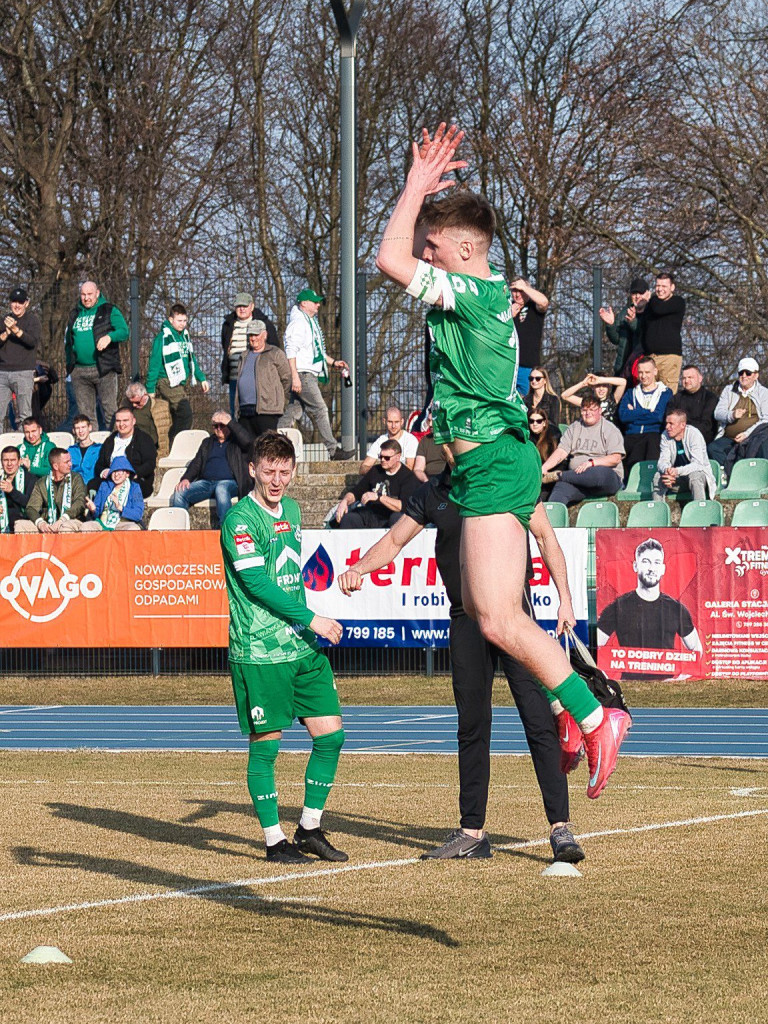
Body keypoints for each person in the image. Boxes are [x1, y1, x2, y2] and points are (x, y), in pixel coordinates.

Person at [375, 121, 630, 799]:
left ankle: (597, 714)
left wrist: (412, 186)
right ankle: (581, 714)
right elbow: (408, 257)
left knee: (497, 618)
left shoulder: (479, 295)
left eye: (434, 246)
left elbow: (389, 260)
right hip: (498, 460)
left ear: (462, 248)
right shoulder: (477, 300)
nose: (422, 253)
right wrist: (425, 196)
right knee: (501, 616)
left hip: (491, 462)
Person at [338, 473, 586, 864]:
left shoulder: (503, 478)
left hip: (513, 617)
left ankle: (560, 828)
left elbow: (546, 538)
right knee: (472, 726)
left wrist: (565, 600)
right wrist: (359, 568)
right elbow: (394, 540)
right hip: (465, 617)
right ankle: (472, 833)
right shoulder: (433, 492)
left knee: (537, 719)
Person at [220, 431, 347, 864]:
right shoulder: (239, 520)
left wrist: (307, 624)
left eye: (285, 471)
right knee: (267, 745)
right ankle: (275, 841)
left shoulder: (291, 509)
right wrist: (313, 618)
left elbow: (289, 572)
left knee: (331, 736)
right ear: (253, 469)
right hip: (260, 650)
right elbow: (255, 582)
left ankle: (309, 828)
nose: (277, 480)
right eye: (269, 471)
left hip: (302, 646)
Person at [278, 288, 354, 460]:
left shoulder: (309, 323)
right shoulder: (298, 324)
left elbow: (315, 352)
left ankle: (275, 442)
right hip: (303, 375)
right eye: (315, 302)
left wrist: (333, 362)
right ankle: (333, 450)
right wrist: (295, 376)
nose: (318, 305)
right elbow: (291, 350)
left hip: (307, 374)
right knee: (320, 409)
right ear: (304, 303)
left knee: (293, 412)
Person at [597, 538, 702, 656]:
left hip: (668, 675)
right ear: (635, 566)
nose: (651, 569)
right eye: (646, 562)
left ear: (663, 569)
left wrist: (683, 675)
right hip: (628, 675)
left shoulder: (676, 609)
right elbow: (594, 647)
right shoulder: (617, 608)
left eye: (656, 562)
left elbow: (696, 649)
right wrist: (604, 674)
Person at [64, 280, 129, 428]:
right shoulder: (75, 313)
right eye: (83, 294)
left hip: (103, 367)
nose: (86, 298)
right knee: (85, 416)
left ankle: (113, 444)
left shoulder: (109, 310)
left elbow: (124, 331)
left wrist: (109, 337)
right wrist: (70, 365)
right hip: (79, 371)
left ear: (97, 293)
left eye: (90, 294)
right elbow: (69, 341)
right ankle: (92, 448)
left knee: (109, 411)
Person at [541, 394, 625, 506]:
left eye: (592, 409)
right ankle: (553, 520)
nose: (588, 413)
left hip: (606, 479)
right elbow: (561, 451)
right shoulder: (574, 427)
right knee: (560, 488)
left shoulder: (610, 429)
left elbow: (616, 458)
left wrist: (591, 463)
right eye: (584, 410)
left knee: (597, 472)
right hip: (579, 481)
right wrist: (544, 468)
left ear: (600, 410)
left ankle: (560, 476)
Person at [170, 411, 252, 525]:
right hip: (207, 483)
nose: (219, 428)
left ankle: (225, 530)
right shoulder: (207, 442)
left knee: (221, 489)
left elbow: (248, 441)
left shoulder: (236, 442)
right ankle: (178, 531)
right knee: (179, 493)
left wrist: (230, 422)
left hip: (230, 483)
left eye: (222, 425)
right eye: (215, 426)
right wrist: (186, 478)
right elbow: (196, 463)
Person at [146, 304, 210, 445]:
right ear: (170, 320)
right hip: (167, 380)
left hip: (180, 382)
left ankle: (166, 444)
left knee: (174, 416)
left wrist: (201, 378)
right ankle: (176, 443)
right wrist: (150, 388)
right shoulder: (163, 338)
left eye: (184, 321)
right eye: (179, 321)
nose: (182, 324)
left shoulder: (185, 337)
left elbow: (191, 360)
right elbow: (154, 363)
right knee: (185, 413)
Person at [334, 439, 419, 529]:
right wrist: (345, 501)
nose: (382, 460)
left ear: (398, 457)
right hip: (372, 514)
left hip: (392, 515)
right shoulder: (375, 471)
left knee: (397, 519)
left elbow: (403, 506)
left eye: (387, 458)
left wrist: (379, 497)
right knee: (349, 518)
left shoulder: (408, 476)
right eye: (380, 456)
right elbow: (356, 492)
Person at [221, 292, 279, 417]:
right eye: (238, 306)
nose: (241, 309)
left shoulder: (265, 324)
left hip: (258, 379)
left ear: (252, 306)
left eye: (245, 306)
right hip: (234, 378)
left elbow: (275, 349)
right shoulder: (228, 325)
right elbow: (225, 347)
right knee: (235, 413)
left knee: (257, 413)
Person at [708, 358, 768, 469]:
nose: (744, 376)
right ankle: (730, 475)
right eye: (741, 372)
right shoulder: (729, 390)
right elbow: (718, 413)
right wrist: (732, 415)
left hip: (753, 437)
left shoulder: (764, 393)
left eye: (748, 373)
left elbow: (765, 420)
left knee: (763, 447)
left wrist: (747, 434)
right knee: (713, 448)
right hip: (729, 438)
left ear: (756, 375)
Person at [235, 318, 292, 437]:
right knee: (247, 449)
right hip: (244, 411)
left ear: (264, 335)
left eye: (256, 334)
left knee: (267, 447)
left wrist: (275, 398)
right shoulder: (244, 356)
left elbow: (287, 379)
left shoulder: (275, 353)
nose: (253, 338)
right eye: (251, 334)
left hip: (267, 411)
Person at [617, 356, 672, 475]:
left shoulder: (665, 392)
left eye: (647, 372)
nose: (643, 376)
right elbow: (623, 416)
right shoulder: (630, 393)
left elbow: (658, 416)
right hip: (632, 435)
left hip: (654, 435)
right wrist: (648, 411)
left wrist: (634, 412)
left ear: (655, 372)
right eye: (640, 372)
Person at [14, 448, 87, 533]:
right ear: (55, 466)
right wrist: (40, 523)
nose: (70, 464)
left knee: (65, 527)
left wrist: (63, 519)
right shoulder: (42, 483)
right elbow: (31, 508)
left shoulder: (76, 478)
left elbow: (80, 502)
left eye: (70, 461)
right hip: (48, 523)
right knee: (20, 525)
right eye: (66, 462)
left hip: (71, 520)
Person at [92, 407, 157, 498]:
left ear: (133, 421)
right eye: (118, 421)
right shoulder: (110, 440)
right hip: (111, 479)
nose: (121, 424)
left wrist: (132, 474)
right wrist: (104, 471)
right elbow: (99, 464)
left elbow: (150, 464)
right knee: (92, 485)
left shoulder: (144, 439)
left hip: (135, 480)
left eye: (125, 420)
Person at [653, 410, 716, 501]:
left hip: (698, 480)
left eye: (671, 424)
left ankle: (700, 510)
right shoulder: (665, 435)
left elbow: (697, 464)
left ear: (682, 425)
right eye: (666, 423)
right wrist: (667, 471)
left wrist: (677, 471)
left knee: (695, 476)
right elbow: (662, 461)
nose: (667, 427)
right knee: (658, 476)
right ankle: (658, 511)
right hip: (675, 479)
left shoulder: (694, 434)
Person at [0, 287, 41, 427]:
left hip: (23, 372)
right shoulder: (3, 320)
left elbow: (32, 342)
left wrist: (16, 330)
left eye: (20, 302)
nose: (17, 305)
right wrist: (6, 333)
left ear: (26, 303)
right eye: (14, 301)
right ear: (10, 303)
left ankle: (25, 445)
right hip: (2, 372)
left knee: (25, 415)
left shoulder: (32, 321)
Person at [642, 271, 686, 393]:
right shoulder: (651, 305)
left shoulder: (678, 302)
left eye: (664, 286)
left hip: (669, 357)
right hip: (650, 357)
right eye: (657, 286)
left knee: (668, 395)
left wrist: (650, 300)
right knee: (648, 393)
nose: (660, 289)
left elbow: (658, 309)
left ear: (672, 287)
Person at [599, 278, 649, 377]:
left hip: (644, 368)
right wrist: (611, 325)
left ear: (648, 294)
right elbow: (616, 339)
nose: (637, 296)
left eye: (641, 293)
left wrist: (633, 322)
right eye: (634, 293)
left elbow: (645, 335)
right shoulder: (624, 313)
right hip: (624, 366)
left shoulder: (651, 312)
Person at [81, 456, 144, 531]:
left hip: (123, 523)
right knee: (86, 527)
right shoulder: (105, 486)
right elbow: (97, 513)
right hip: (103, 522)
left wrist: (120, 507)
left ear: (127, 473)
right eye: (114, 472)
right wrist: (93, 509)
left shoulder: (134, 488)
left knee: (133, 528)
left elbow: (138, 514)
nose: (116, 475)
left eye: (120, 472)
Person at [511, 279, 549, 396]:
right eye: (514, 290)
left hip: (528, 367)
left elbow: (544, 302)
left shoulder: (534, 307)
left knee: (528, 404)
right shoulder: (506, 308)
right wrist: (509, 317)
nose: (517, 294)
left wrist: (524, 287)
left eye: (520, 290)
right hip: (509, 366)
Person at [666, 365, 718, 445]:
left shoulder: (710, 398)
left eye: (690, 377)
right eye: (684, 378)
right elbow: (669, 419)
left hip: (701, 440)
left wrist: (684, 431)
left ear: (700, 378)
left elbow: (706, 425)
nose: (686, 381)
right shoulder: (676, 398)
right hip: (677, 439)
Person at [360, 406, 419, 472]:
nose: (393, 426)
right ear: (384, 421)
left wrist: (389, 470)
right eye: (390, 422)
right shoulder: (381, 440)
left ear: (402, 421)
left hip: (403, 480)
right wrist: (379, 472)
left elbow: (410, 468)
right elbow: (363, 468)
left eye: (396, 422)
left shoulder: (410, 440)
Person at [561, 372, 626, 425]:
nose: (601, 389)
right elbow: (565, 396)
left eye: (604, 386)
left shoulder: (613, 400)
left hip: (610, 437)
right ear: (593, 387)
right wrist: (583, 384)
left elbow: (623, 382)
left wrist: (601, 380)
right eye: (598, 386)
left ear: (608, 387)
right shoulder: (588, 403)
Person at [0, 446, 35, 533]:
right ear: (1, 462)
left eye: (13, 460)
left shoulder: (30, 479)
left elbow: (32, 505)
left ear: (19, 462)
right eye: (5, 460)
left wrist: (12, 491)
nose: (9, 464)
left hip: (22, 523)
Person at [68, 414, 102, 485]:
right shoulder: (70, 451)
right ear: (73, 431)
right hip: (74, 488)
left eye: (83, 427)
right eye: (77, 428)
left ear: (89, 428)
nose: (80, 431)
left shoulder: (99, 449)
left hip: (93, 487)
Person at [412, 409, 446, 481]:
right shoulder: (425, 440)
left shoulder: (450, 439)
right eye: (429, 420)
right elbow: (418, 469)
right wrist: (426, 482)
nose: (430, 424)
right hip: (428, 479)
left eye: (433, 421)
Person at [125, 382, 159, 448]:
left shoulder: (158, 407)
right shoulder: (126, 405)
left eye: (137, 402)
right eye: (131, 402)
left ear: (145, 395)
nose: (134, 405)